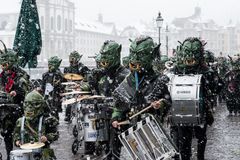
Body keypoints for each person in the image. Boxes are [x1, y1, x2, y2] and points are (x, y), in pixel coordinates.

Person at [111, 36, 171, 159]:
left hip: (153, 129)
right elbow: (119, 106)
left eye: (141, 54)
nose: (135, 59)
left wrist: (160, 104)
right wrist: (115, 118)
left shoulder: (158, 80)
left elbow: (168, 101)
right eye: (133, 54)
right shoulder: (128, 81)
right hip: (132, 130)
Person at [171, 37, 223, 160]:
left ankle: (200, 157)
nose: (190, 57)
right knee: (184, 140)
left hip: (201, 109)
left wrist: (208, 87)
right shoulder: (178, 69)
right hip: (182, 109)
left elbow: (218, 86)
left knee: (200, 137)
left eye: (193, 53)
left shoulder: (206, 70)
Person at [87, 40, 129, 157]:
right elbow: (95, 91)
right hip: (104, 116)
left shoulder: (125, 75)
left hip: (119, 119)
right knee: (106, 149)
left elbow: (129, 99)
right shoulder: (102, 74)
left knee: (115, 150)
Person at [0, 42, 30, 160]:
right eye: (1, 64)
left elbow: (25, 91)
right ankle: (8, 154)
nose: (2, 66)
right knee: (7, 134)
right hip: (3, 108)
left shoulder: (21, 74)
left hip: (17, 108)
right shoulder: (2, 75)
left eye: (5, 63)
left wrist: (16, 92)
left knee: (17, 134)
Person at [13, 90, 59, 160]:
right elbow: (16, 135)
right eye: (27, 104)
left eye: (33, 104)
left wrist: (47, 137)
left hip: (42, 153)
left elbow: (55, 134)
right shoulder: (20, 121)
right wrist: (17, 141)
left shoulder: (47, 120)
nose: (29, 108)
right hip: (25, 153)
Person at [63, 51, 89, 122]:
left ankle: (83, 116)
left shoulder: (82, 68)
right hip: (71, 88)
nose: (71, 60)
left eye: (73, 59)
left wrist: (81, 83)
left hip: (80, 88)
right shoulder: (67, 69)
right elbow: (64, 79)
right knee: (69, 102)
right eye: (71, 59)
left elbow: (88, 78)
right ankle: (68, 116)